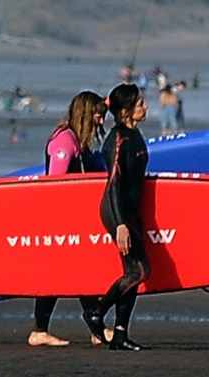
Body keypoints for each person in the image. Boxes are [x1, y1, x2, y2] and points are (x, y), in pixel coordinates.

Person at [28, 91, 114, 347]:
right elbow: (55, 184)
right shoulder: (65, 141)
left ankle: (43, 330)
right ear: (85, 114)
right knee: (75, 273)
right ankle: (96, 330)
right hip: (59, 220)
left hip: (74, 219)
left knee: (67, 275)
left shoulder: (81, 143)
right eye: (98, 116)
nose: (101, 122)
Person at [83, 83, 150, 351]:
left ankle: (120, 333)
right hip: (116, 212)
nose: (145, 107)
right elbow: (113, 185)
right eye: (140, 104)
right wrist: (121, 223)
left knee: (131, 274)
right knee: (140, 270)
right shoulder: (119, 140)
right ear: (125, 112)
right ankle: (97, 311)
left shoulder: (134, 133)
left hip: (129, 213)